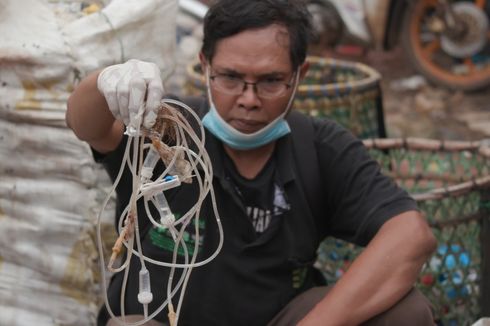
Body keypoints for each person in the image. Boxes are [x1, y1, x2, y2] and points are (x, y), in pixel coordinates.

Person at [66, 0, 437, 325]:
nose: (249, 99)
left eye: (271, 81)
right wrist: (103, 83)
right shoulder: (167, 129)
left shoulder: (320, 148)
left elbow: (410, 234)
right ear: (205, 65)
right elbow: (87, 125)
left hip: (280, 318)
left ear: (299, 76)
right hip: (162, 320)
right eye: (230, 77)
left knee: (404, 313)